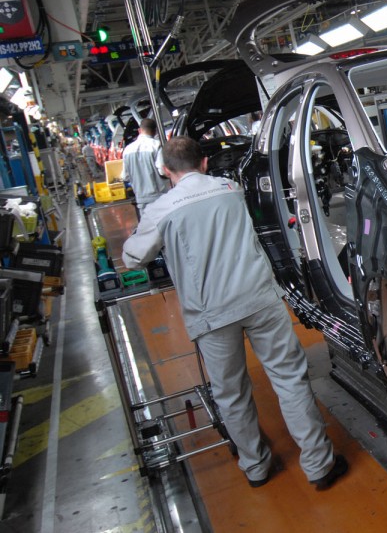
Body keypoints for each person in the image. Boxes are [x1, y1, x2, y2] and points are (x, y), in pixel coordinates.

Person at [122, 137, 348, 490]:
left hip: (211, 312)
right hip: (260, 297)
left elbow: (134, 258)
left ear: (165, 171)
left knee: (231, 393)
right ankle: (319, 465)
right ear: (205, 163)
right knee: (289, 379)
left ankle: (256, 467)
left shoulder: (162, 209)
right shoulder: (230, 188)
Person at [120, 118, 169, 213]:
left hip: (141, 198)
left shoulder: (127, 149)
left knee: (148, 225)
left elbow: (125, 176)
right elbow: (162, 171)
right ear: (155, 131)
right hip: (158, 196)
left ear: (139, 130)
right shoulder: (156, 145)